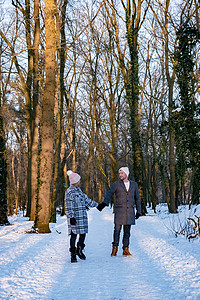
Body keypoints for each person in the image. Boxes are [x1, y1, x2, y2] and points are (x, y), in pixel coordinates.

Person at [97, 167, 141, 256]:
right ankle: (114, 249)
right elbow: (109, 194)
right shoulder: (116, 184)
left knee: (127, 231)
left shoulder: (134, 185)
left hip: (130, 211)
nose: (120, 175)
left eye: (122, 173)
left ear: (126, 174)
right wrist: (104, 203)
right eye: (119, 173)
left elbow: (137, 198)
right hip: (119, 211)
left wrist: (139, 211)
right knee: (117, 230)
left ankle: (125, 249)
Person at [65, 170, 98, 263]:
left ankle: (79, 249)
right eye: (79, 180)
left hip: (82, 216)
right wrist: (71, 217)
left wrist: (98, 205)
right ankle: (73, 254)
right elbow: (68, 205)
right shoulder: (69, 192)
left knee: (83, 234)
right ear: (75, 181)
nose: (80, 181)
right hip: (74, 217)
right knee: (73, 235)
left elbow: (87, 200)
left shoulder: (79, 191)